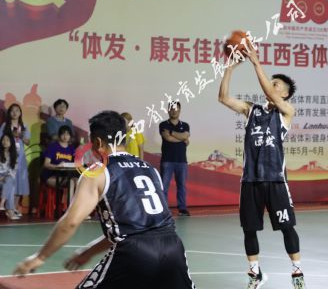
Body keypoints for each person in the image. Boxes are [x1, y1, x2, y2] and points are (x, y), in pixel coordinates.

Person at [14, 111, 196, 289]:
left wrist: (40, 257)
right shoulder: (150, 169)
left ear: (98, 142)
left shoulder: (98, 171)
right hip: (173, 248)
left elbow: (71, 222)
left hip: (134, 254)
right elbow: (132, 226)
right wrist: (89, 252)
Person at [218, 42, 306, 289]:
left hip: (276, 181)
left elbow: (269, 92)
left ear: (284, 94)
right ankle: (255, 274)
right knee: (249, 229)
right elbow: (223, 98)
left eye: (276, 85)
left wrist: (256, 62)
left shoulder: (286, 112)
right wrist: (230, 68)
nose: (271, 86)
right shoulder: (251, 111)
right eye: (272, 83)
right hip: (250, 180)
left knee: (287, 228)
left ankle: (297, 273)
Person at [0, 103, 31, 216]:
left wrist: (20, 135)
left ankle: (14, 207)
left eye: (17, 110)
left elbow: (27, 142)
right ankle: (8, 208)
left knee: (20, 183)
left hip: (20, 158)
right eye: (12, 110)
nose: (15, 113)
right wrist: (9, 135)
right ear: (9, 113)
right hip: (8, 158)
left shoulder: (24, 126)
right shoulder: (5, 125)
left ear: (20, 113)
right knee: (10, 182)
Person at [159, 102, 191, 216]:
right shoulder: (163, 124)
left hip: (181, 161)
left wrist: (172, 132)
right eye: (171, 109)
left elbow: (185, 136)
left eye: (176, 109)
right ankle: (163, 209)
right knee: (164, 186)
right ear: (168, 110)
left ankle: (182, 208)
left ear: (179, 110)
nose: (174, 111)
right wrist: (182, 138)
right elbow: (168, 138)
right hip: (167, 160)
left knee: (182, 186)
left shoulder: (185, 125)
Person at [0, 132, 20, 221]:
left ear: (11, 142)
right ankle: (9, 210)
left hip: (6, 179)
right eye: (3, 140)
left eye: (7, 140)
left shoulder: (14, 154)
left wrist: (6, 176)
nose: (5, 142)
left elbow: (14, 170)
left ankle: (2, 203)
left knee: (9, 181)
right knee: (11, 186)